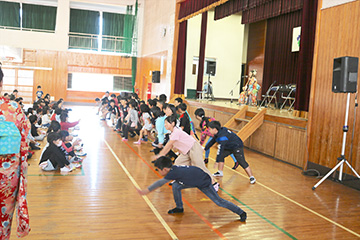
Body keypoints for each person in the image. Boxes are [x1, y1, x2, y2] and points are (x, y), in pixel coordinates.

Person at [137, 157, 247, 221]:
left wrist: (147, 190)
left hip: (204, 182)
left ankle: (241, 212)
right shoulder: (173, 170)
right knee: (176, 185)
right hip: (193, 179)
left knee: (218, 201)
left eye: (158, 170)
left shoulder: (173, 172)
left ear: (165, 169)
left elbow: (160, 182)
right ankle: (179, 208)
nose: (158, 172)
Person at [0, 65, 31, 238]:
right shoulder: (13, 108)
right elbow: (24, 142)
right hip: (6, 175)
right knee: (3, 218)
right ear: (1, 83)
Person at [154, 115, 218, 189]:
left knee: (200, 166)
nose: (165, 125)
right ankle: (178, 180)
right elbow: (171, 146)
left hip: (193, 147)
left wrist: (160, 155)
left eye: (166, 123)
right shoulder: (172, 133)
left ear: (172, 124)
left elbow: (168, 145)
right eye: (164, 123)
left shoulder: (176, 132)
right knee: (178, 163)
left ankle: (214, 183)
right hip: (186, 151)